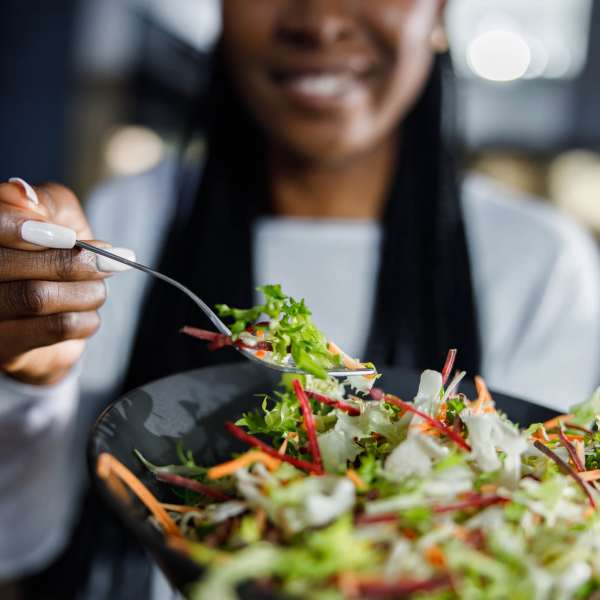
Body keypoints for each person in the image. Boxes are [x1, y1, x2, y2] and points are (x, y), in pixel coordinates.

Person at [1, 1, 599, 598]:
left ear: (440, 15)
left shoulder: (539, 264)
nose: (318, 20)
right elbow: (16, 541)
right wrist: (28, 380)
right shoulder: (122, 224)